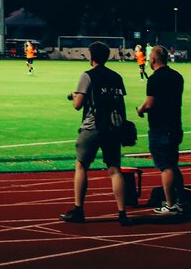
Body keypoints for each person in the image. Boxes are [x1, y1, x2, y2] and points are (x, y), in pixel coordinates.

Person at [59, 42, 131, 226]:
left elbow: (78, 105)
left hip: (92, 127)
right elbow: (120, 103)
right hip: (113, 128)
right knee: (114, 170)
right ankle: (122, 214)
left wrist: (74, 96)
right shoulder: (116, 76)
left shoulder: (87, 75)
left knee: (81, 166)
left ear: (92, 57)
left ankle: (78, 210)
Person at [136, 45, 184, 216]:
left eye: (150, 58)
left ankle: (170, 205)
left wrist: (140, 109)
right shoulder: (177, 76)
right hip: (175, 125)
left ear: (154, 59)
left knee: (166, 167)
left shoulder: (154, 79)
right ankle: (181, 201)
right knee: (173, 165)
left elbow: (150, 104)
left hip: (160, 127)